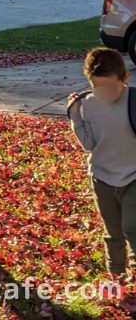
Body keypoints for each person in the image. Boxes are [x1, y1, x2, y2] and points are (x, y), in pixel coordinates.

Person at [67, 47, 136, 287]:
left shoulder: (134, 100)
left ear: (124, 78)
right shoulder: (87, 104)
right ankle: (117, 276)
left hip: (133, 176)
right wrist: (75, 115)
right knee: (113, 231)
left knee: (133, 227)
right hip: (102, 177)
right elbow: (88, 144)